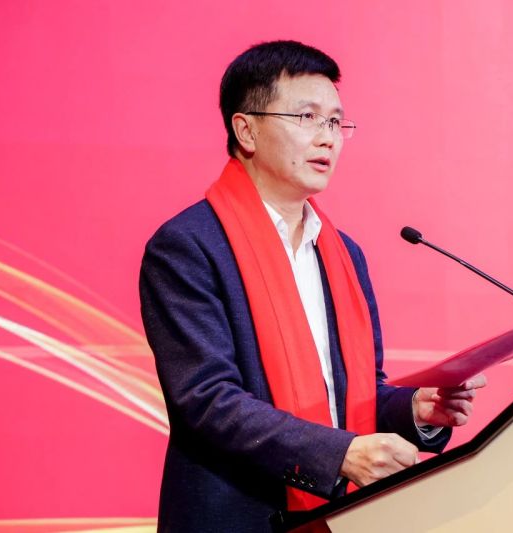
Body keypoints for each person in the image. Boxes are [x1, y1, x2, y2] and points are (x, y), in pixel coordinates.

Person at [139, 40, 486, 532]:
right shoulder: (188, 247)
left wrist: (415, 409)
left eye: (335, 123)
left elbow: (355, 396)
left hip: (339, 519)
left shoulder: (344, 255)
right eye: (307, 118)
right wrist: (338, 454)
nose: (327, 138)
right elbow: (208, 400)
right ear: (246, 130)